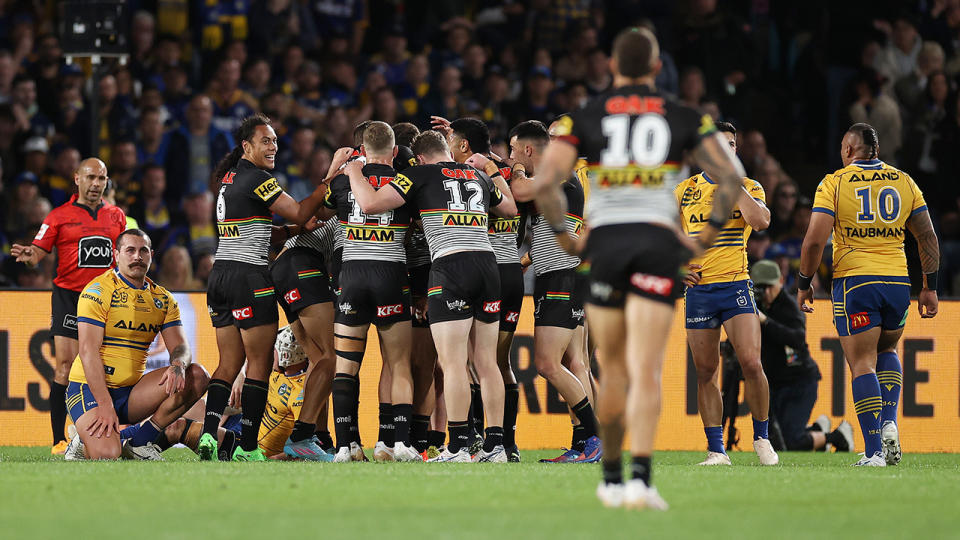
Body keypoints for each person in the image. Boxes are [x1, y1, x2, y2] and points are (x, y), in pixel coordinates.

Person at [532, 27, 749, 510]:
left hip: (605, 247)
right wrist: (707, 236)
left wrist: (568, 237)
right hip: (656, 246)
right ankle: (643, 481)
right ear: (656, 69)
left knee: (612, 367)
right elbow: (732, 175)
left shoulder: (584, 117)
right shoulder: (686, 116)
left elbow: (546, 182)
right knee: (647, 368)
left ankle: (610, 479)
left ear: (611, 66)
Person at [345, 130, 517, 462]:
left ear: (421, 157)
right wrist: (493, 171)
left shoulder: (418, 174)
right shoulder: (477, 175)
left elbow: (370, 203)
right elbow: (509, 208)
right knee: (486, 362)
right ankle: (495, 447)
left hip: (451, 268)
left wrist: (353, 171)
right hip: (487, 264)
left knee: (453, 363)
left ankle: (456, 447)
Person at [798, 123, 940, 466]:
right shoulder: (904, 181)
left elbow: (816, 240)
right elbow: (927, 237)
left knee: (862, 363)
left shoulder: (835, 182)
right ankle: (889, 420)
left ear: (848, 150)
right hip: (897, 283)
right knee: (888, 348)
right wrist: (930, 287)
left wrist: (804, 282)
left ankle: (875, 450)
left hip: (855, 282)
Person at [198, 114, 329, 462]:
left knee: (227, 363)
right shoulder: (258, 178)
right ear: (247, 146)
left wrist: (289, 232)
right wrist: (330, 184)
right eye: (265, 141)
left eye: (274, 140)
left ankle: (209, 435)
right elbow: (301, 211)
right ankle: (248, 447)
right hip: (249, 278)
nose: (273, 146)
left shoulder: (230, 178)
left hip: (220, 276)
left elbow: (258, 231)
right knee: (258, 364)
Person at [674, 121, 778, 466]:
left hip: (736, 284)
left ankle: (762, 438)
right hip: (700, 290)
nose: (727, 150)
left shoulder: (748, 186)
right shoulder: (684, 191)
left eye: (732, 145)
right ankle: (717, 450)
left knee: (751, 362)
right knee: (706, 372)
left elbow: (761, 221)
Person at [10, 158, 127, 455]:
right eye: (90, 177)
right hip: (69, 297)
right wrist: (29, 255)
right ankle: (58, 440)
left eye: (101, 178)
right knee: (65, 365)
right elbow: (38, 253)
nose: (96, 184)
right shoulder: (58, 216)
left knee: (105, 367)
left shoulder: (116, 217)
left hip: (104, 298)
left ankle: (103, 432)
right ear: (76, 179)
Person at [320, 121, 421, 463]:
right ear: (395, 151)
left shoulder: (342, 182)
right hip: (392, 274)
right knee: (398, 364)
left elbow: (318, 211)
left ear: (361, 150)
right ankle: (397, 443)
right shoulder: (408, 182)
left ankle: (345, 447)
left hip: (352, 275)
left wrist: (336, 169)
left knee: (345, 366)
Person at [63, 229, 209, 460]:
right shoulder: (98, 291)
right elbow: (88, 351)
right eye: (130, 250)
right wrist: (105, 404)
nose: (137, 256)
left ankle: (141, 443)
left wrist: (179, 364)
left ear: (151, 255)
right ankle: (82, 442)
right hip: (88, 388)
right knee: (107, 455)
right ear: (116, 255)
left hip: (132, 394)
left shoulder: (162, 299)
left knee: (197, 376)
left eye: (143, 251)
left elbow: (181, 346)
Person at [432, 115, 524, 461]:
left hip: (493, 265)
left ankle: (487, 441)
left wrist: (496, 168)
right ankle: (491, 442)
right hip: (499, 269)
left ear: (465, 145)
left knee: (483, 361)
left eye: (454, 140)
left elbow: (514, 207)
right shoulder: (489, 168)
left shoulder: (491, 170)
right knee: (481, 362)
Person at [508, 119, 600, 464]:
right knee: (574, 362)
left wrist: (515, 168)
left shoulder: (556, 172)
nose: (512, 157)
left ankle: (595, 437)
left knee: (547, 364)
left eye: (516, 150)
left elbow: (519, 190)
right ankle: (583, 445)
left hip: (562, 276)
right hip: (559, 274)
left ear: (529, 150)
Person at [268, 146, 354, 462]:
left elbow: (325, 194)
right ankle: (302, 436)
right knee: (334, 357)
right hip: (302, 264)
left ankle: (317, 439)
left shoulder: (339, 197)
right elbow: (320, 204)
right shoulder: (350, 204)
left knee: (319, 362)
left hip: (285, 269)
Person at [751, 260, 854, 453]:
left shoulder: (789, 306)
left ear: (781, 281)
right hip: (775, 382)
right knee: (775, 440)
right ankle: (817, 431)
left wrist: (766, 322)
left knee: (791, 442)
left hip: (799, 382)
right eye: (760, 287)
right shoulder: (756, 306)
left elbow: (797, 338)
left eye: (768, 287)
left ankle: (838, 436)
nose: (764, 293)